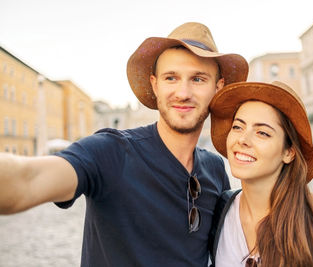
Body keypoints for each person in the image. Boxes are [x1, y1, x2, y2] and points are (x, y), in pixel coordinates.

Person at [0, 22, 248, 266]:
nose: (183, 92)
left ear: (218, 88)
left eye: (198, 79)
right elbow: (27, 180)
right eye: (171, 78)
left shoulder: (216, 169)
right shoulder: (111, 151)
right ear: (155, 85)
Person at [208, 81, 313, 267]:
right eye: (237, 127)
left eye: (262, 133)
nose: (243, 139)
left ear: (289, 152)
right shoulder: (219, 213)